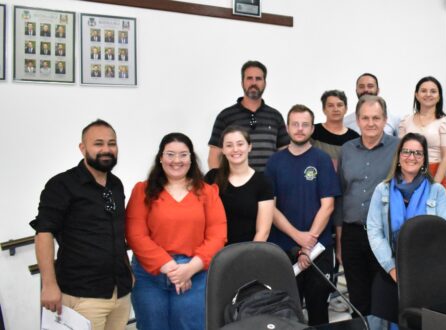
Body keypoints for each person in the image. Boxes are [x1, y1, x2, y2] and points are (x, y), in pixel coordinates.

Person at [30, 119, 133, 330]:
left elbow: (116, 231)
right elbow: (44, 233)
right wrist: (49, 285)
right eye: (98, 143)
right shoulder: (62, 185)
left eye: (111, 143)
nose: (106, 149)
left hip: (119, 293)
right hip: (82, 295)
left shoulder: (115, 184)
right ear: (82, 148)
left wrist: (127, 269)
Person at [126, 133, 227, 330]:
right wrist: (172, 268)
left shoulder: (208, 192)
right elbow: (135, 235)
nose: (176, 161)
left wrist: (189, 269)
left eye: (183, 155)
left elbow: (217, 235)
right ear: (160, 158)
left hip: (195, 274)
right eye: (170, 154)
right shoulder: (142, 191)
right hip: (149, 277)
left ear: (191, 158)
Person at [265, 105, 341, 325]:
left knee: (319, 311)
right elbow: (271, 208)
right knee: (287, 314)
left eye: (305, 124)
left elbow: (328, 205)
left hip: (318, 250)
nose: (299, 129)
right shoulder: (274, 162)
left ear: (312, 128)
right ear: (287, 127)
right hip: (284, 250)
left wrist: (308, 244)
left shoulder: (322, 159)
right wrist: (298, 237)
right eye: (295, 124)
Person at [366, 132, 446, 322]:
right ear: (398, 157)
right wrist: (391, 268)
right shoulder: (382, 190)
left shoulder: (437, 191)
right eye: (406, 152)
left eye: (417, 153)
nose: (411, 157)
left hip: (426, 277)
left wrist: (424, 270)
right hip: (389, 273)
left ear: (424, 160)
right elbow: (374, 231)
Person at [334, 95, 399, 315]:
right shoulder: (347, 150)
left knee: (383, 302)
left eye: (376, 118)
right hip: (352, 235)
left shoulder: (398, 149)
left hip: (384, 235)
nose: (371, 123)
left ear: (385, 120)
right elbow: (341, 195)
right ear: (358, 121)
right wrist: (340, 240)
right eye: (365, 118)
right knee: (358, 301)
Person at [208, 60, 289, 171]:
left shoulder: (275, 116)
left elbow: (285, 155)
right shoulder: (225, 116)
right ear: (242, 83)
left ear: (265, 83)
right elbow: (214, 156)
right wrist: (218, 183)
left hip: (269, 185)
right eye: (249, 78)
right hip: (234, 185)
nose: (254, 83)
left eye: (258, 79)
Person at [205, 126, 275, 244]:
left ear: (249, 147)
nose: (235, 149)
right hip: (215, 254)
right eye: (229, 145)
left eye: (240, 144)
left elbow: (263, 232)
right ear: (222, 149)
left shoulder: (263, 182)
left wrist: (248, 258)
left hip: (249, 253)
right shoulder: (212, 178)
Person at [398, 76, 446, 190]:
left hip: (435, 174)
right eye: (423, 91)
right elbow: (400, 152)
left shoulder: (445, 122)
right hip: (408, 175)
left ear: (439, 97)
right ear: (417, 95)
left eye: (433, 91)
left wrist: (434, 186)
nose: (428, 94)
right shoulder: (406, 121)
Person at [312, 90, 360, 170]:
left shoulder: (354, 138)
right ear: (324, 109)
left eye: (339, 105)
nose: (335, 109)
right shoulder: (313, 131)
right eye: (330, 105)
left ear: (346, 109)